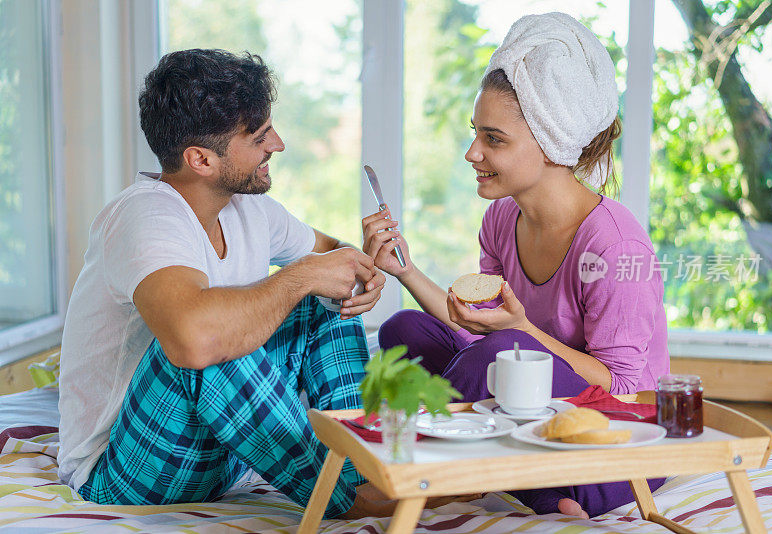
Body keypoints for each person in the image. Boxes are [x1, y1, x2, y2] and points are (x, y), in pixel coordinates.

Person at [57, 49, 395, 519]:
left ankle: (366, 470)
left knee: (321, 297)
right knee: (202, 337)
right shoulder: (144, 216)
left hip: (222, 456)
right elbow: (194, 341)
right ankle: (349, 500)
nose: (277, 144)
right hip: (125, 468)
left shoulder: (248, 208)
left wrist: (359, 264)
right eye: (259, 136)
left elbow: (328, 254)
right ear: (200, 159)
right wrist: (304, 276)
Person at [363, 13, 669, 519]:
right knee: (406, 330)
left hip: (616, 425)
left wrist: (522, 330)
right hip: (533, 401)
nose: (472, 152)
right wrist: (406, 272)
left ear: (552, 141)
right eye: (475, 134)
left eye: (494, 139)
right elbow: (476, 326)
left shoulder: (616, 245)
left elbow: (622, 386)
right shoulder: (501, 218)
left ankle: (423, 474)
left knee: (507, 353)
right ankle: (516, 476)